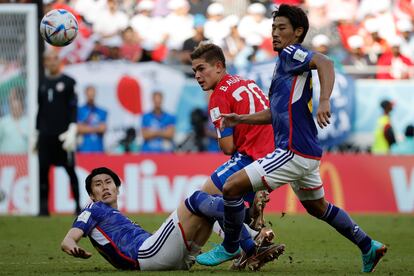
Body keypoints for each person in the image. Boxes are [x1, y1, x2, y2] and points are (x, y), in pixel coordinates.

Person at [196, 4, 387, 273]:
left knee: (230, 187)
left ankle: (230, 245)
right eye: (273, 27)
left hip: (292, 151)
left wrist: (324, 101)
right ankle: (368, 246)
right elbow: (275, 114)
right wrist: (241, 120)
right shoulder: (284, 64)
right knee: (318, 207)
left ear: (297, 32)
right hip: (306, 152)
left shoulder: (290, 53)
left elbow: (325, 62)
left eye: (281, 28)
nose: (275, 33)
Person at [61, 167, 284, 271]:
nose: (104, 187)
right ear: (91, 195)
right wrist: (72, 245)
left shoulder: (114, 216)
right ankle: (248, 222)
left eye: (108, 182)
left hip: (175, 259)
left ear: (117, 189)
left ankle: (247, 247)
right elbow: (69, 239)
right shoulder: (93, 209)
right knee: (197, 198)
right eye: (97, 185)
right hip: (145, 255)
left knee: (209, 205)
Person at [190, 42, 277, 266]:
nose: (198, 76)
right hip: (273, 155)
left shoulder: (218, 96)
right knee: (235, 206)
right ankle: (251, 244)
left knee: (206, 195)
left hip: (251, 154)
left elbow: (228, 147)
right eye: (194, 71)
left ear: (218, 66)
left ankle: (249, 241)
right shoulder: (244, 81)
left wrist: (219, 135)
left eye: (201, 69)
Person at [35, 49, 80, 216]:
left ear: (59, 61)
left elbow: (74, 107)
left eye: (55, 59)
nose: (52, 62)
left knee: (70, 170)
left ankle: (78, 207)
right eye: (49, 59)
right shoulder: (41, 83)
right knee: (43, 171)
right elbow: (40, 109)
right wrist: (36, 132)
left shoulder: (69, 82)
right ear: (45, 62)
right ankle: (43, 209)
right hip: (45, 135)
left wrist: (72, 129)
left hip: (63, 135)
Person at [77, 85, 108, 153]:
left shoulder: (102, 111)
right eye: (89, 94)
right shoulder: (79, 110)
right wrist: (96, 127)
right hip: (83, 149)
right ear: (85, 94)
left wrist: (85, 127)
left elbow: (103, 128)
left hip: (98, 149)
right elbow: (78, 129)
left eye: (93, 94)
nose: (91, 97)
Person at [0, 87, 28, 154]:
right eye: (12, 108)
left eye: (18, 108)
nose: (15, 110)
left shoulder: (28, 122)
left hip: (24, 159)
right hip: (5, 159)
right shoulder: (3, 122)